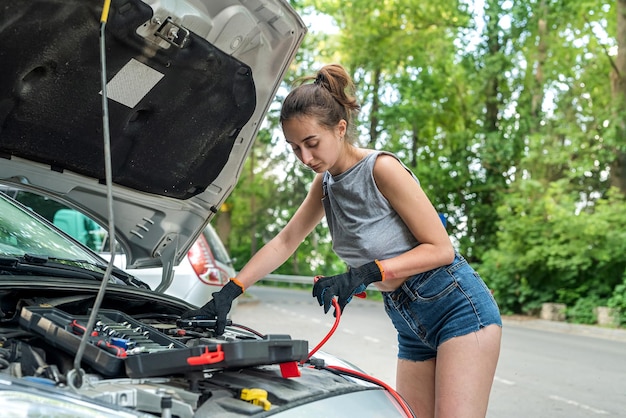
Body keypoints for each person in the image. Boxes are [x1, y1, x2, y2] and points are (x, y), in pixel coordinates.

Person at [182, 63, 502, 417]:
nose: (305, 157)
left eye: (312, 143)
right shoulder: (325, 184)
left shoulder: (381, 169)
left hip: (456, 307)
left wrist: (365, 272)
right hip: (408, 319)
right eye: (294, 148)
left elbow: (441, 250)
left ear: (340, 128)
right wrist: (231, 289)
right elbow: (285, 241)